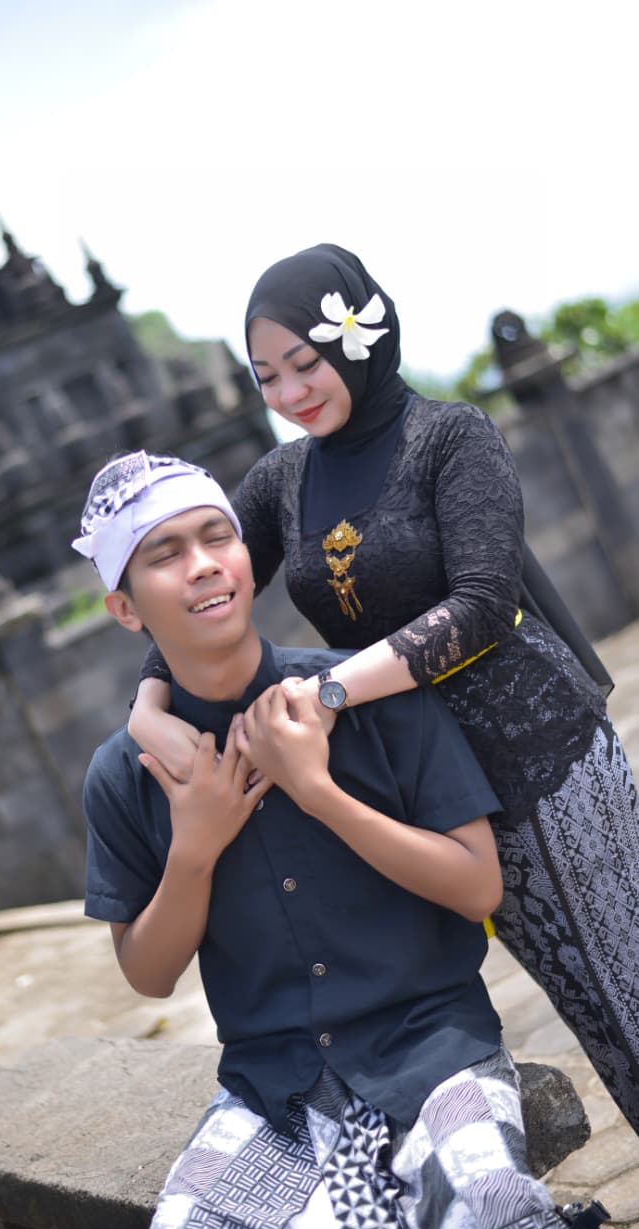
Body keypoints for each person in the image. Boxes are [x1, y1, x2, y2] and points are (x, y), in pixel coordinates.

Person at [128, 244, 639, 1136]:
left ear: (356, 339)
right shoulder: (283, 481)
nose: (290, 393)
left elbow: (481, 606)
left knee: (625, 975)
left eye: (304, 363)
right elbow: (205, 586)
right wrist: (148, 705)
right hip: (433, 781)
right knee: (581, 998)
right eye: (266, 378)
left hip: (540, 751)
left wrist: (325, 694)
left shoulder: (451, 436)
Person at [72, 449, 581, 1229]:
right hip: (272, 1095)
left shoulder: (371, 698)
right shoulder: (124, 774)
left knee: (489, 1208)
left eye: (217, 537)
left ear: (249, 560)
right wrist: (195, 847)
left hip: (433, 1056)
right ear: (125, 608)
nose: (202, 565)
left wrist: (316, 792)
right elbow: (148, 973)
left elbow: (476, 886)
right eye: (164, 554)